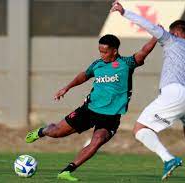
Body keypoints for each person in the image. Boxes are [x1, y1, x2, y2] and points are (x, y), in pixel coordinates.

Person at [111, 1, 185, 183]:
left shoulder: (172, 40)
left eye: (171, 33)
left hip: (175, 93)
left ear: (177, 33)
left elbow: (149, 26)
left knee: (140, 129)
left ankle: (168, 159)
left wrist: (125, 12)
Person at [25, 34, 157, 181]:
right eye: (100, 51)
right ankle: (42, 131)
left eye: (105, 52)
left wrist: (157, 36)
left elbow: (144, 51)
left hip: (110, 117)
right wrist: (66, 88)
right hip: (89, 110)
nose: (102, 55)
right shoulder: (97, 64)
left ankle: (67, 171)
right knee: (57, 133)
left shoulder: (127, 63)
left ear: (114, 51)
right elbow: (84, 75)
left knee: (97, 140)